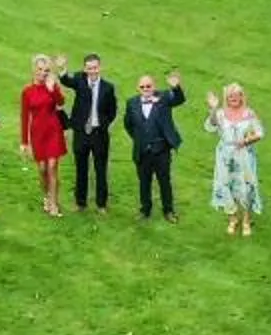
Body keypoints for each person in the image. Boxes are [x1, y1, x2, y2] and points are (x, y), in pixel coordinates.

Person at [204, 83, 266, 237]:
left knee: (246, 187)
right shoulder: (220, 114)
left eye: (236, 95)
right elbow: (210, 126)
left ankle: (246, 220)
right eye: (230, 96)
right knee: (225, 185)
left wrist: (246, 141)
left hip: (244, 155)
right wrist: (213, 108)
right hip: (225, 155)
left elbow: (260, 132)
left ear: (241, 97)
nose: (233, 98)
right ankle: (232, 218)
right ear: (226, 98)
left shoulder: (249, 113)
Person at [124, 69, 186, 221]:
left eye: (149, 86)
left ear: (154, 86)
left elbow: (179, 99)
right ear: (138, 88)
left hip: (161, 150)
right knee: (144, 182)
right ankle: (145, 210)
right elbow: (128, 125)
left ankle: (168, 211)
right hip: (142, 151)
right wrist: (139, 139)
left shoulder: (164, 98)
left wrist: (176, 87)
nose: (146, 89)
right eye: (142, 87)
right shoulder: (131, 103)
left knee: (164, 181)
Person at [67, 54, 119, 212]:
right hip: (81, 133)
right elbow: (66, 81)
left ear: (100, 67)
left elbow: (112, 110)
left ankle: (101, 204)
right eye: (89, 68)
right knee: (81, 169)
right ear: (84, 69)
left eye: (95, 67)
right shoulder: (80, 82)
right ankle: (80, 203)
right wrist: (62, 70)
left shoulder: (108, 87)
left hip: (99, 134)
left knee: (101, 170)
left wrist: (103, 124)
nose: (92, 71)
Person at [20, 55, 67, 218]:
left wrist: (52, 88)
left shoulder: (52, 86)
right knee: (42, 169)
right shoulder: (27, 91)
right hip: (38, 133)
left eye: (46, 70)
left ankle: (54, 203)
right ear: (34, 70)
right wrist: (24, 142)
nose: (43, 73)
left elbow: (61, 102)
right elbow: (24, 116)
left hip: (54, 131)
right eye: (40, 69)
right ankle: (47, 196)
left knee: (52, 166)